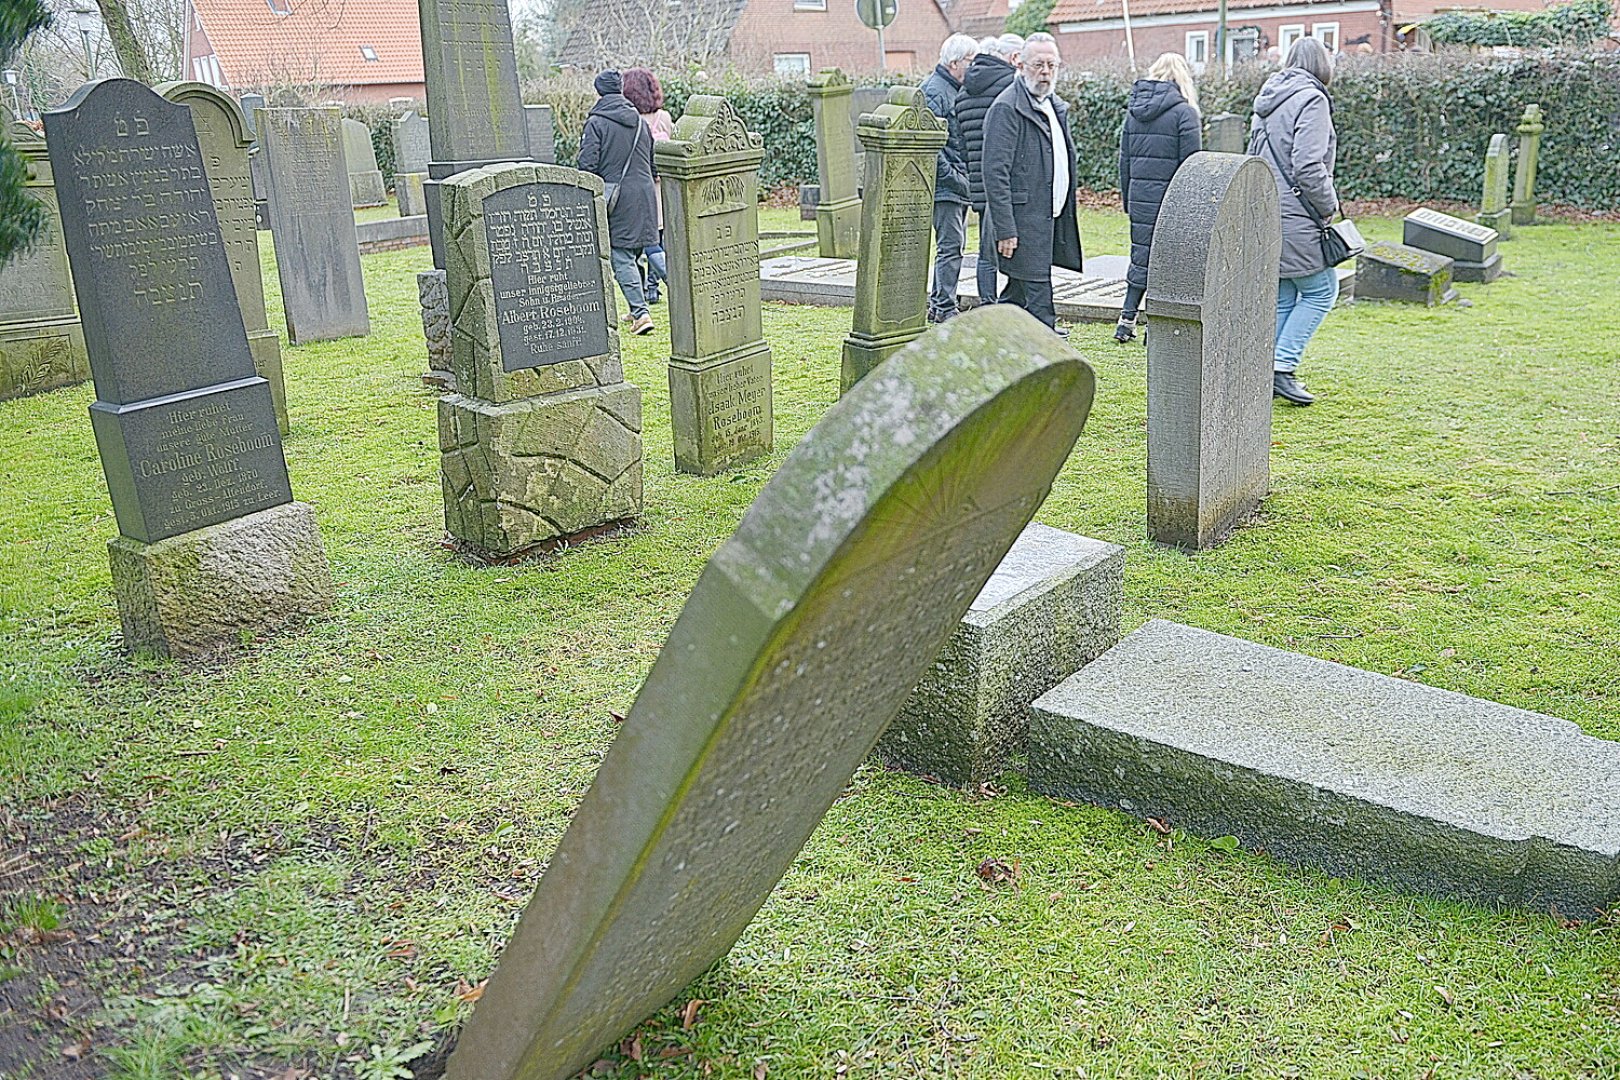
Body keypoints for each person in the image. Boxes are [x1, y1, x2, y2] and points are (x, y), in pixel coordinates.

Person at [1249, 36, 1340, 405]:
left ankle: (1263, 371)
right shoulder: (1313, 99)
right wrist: (1329, 204)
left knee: (1285, 293)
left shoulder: (1267, 101)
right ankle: (1282, 367)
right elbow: (1307, 164)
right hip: (1298, 212)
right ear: (1323, 64)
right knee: (1322, 290)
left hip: (1265, 208)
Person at [981, 32, 1082, 332]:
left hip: (1047, 217)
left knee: (1017, 294)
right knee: (1039, 299)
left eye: (1052, 65)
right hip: (1023, 221)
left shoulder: (1052, 105)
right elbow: (994, 174)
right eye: (1038, 64)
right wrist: (1006, 230)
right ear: (1020, 64)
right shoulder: (1007, 107)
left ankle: (996, 342)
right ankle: (1047, 353)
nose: (1045, 72)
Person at [1115, 52, 1201, 343]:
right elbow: (1191, 166)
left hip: (1140, 196)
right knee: (1166, 262)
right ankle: (1154, 326)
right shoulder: (1185, 113)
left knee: (1140, 256)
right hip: (1170, 199)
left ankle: (1126, 319)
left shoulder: (1134, 111)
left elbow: (1124, 159)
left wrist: (1128, 198)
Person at [579, 69, 658, 335]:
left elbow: (587, 164)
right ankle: (647, 304)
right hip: (645, 192)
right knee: (641, 249)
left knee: (621, 254)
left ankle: (640, 313)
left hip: (618, 197)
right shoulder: (639, 121)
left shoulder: (597, 122)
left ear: (599, 91)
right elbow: (652, 162)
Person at [957, 34, 1020, 309]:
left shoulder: (963, 90)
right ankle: (1017, 306)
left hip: (978, 179)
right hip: (1008, 179)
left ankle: (987, 302)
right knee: (1016, 244)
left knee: (986, 250)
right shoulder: (1010, 85)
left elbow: (960, 142)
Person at [922, 34, 977, 323]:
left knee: (953, 246)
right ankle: (943, 306)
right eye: (971, 60)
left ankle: (939, 303)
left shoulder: (954, 89)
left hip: (957, 182)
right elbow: (931, 146)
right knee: (951, 246)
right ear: (955, 62)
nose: (975, 66)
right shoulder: (935, 91)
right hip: (946, 186)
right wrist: (955, 178)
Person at [622, 67, 671, 305]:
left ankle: (649, 289)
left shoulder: (630, 122)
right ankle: (654, 288)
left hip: (638, 187)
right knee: (658, 238)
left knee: (640, 246)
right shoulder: (664, 118)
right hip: (661, 188)